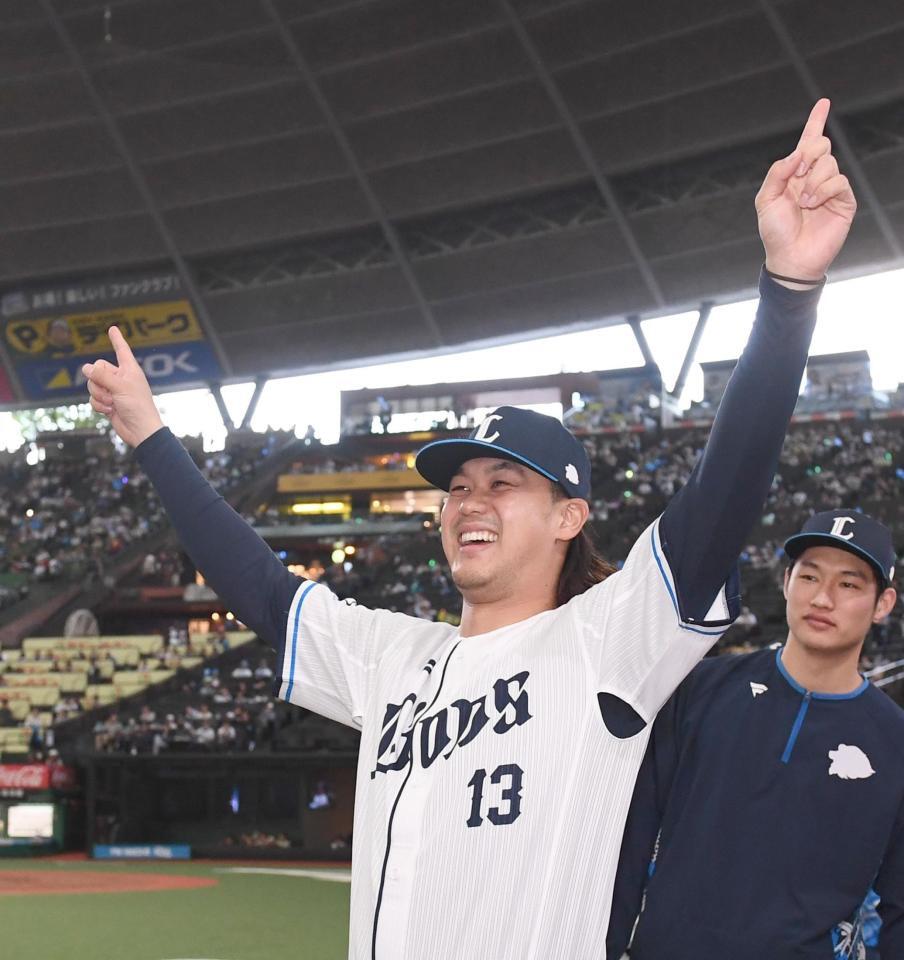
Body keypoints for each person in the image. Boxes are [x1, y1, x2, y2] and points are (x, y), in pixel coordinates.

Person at [84, 101, 854, 960]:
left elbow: (723, 494)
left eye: (502, 483)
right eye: (456, 486)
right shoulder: (386, 657)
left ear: (570, 516)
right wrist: (153, 438)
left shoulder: (610, 640)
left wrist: (788, 295)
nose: (469, 502)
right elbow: (260, 586)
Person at [608, 510, 904, 959]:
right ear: (786, 582)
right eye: (809, 576)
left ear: (883, 604)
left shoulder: (894, 742)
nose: (822, 598)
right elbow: (628, 842)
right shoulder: (700, 689)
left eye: (848, 584)